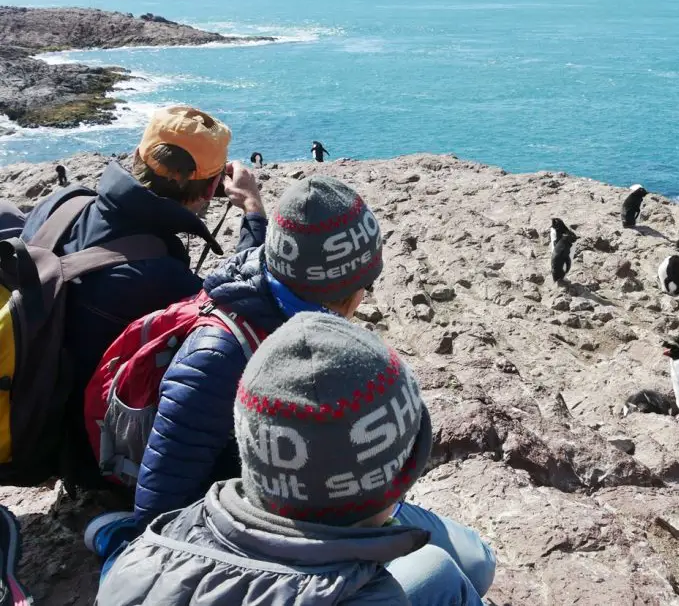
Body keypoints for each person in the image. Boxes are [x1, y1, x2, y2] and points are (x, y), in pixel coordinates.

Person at [84, 176, 386, 575]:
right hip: (201, 509)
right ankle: (114, 539)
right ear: (345, 290)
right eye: (367, 283)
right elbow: (162, 497)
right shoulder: (219, 357)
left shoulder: (276, 293)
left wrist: (252, 208)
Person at [96, 313, 496, 605]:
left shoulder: (145, 552)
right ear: (400, 478)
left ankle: (108, 536)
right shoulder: (374, 598)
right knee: (445, 569)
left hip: (183, 560)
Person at [18, 105, 266, 489]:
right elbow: (243, 303)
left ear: (137, 157)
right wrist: (252, 209)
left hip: (33, 419)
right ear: (212, 189)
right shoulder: (159, 276)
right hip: (93, 458)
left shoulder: (62, 204)